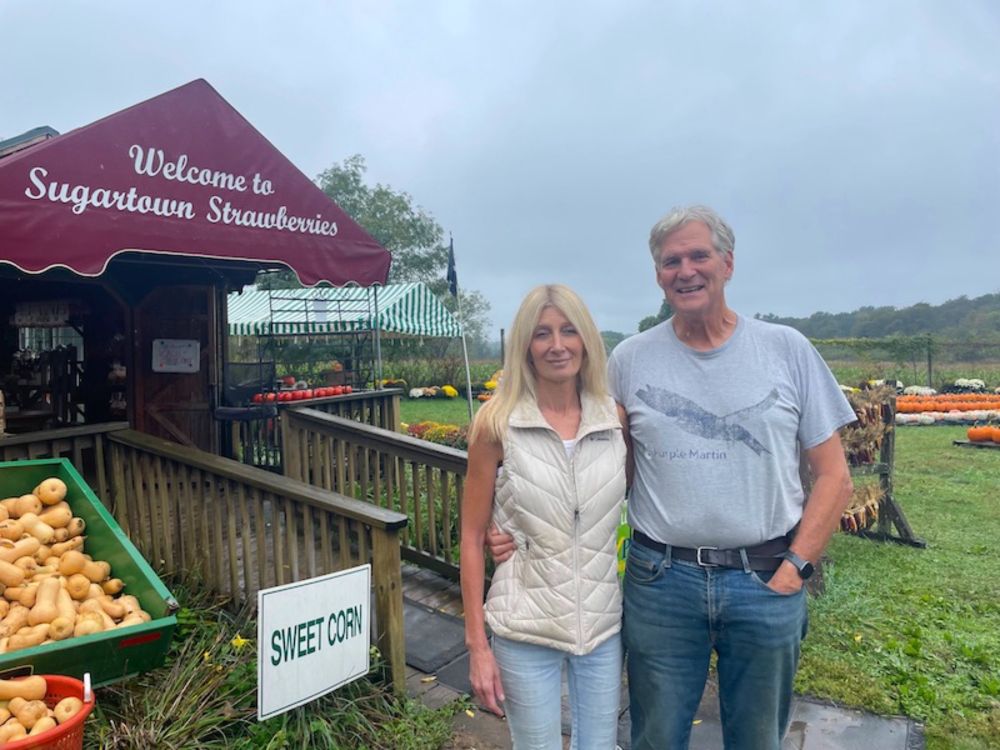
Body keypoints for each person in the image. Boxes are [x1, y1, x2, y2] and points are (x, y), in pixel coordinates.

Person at [491, 206, 856, 750]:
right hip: (662, 582)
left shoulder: (787, 350)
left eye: (698, 256)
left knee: (757, 739)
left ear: (728, 263)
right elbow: (600, 471)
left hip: (764, 579)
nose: (685, 270)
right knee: (655, 736)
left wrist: (795, 568)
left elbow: (834, 477)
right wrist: (520, 529)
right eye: (670, 262)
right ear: (658, 276)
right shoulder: (631, 360)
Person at [460, 283, 629, 750]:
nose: (557, 345)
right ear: (525, 347)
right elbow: (473, 537)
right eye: (542, 334)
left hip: (600, 627)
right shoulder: (497, 425)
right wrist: (477, 646)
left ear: (587, 340)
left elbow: (628, 507)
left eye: (569, 331)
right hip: (524, 625)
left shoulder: (614, 420)